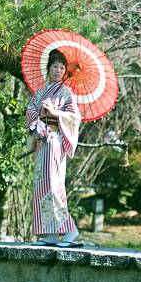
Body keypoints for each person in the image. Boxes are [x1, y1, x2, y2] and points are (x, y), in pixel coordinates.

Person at [25, 49, 82, 247]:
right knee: (41, 185)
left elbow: (75, 118)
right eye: (55, 67)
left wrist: (55, 112)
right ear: (48, 69)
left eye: (61, 68)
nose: (58, 70)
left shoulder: (66, 92)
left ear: (65, 71)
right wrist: (37, 122)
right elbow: (30, 112)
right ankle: (50, 234)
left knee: (53, 184)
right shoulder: (40, 93)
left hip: (56, 141)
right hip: (42, 141)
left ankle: (71, 230)